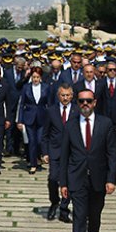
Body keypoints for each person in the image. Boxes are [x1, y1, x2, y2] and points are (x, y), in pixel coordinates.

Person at [60, 89, 116, 232]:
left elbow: (111, 154)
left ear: (95, 102)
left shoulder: (105, 123)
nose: (85, 104)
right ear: (77, 103)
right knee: (79, 217)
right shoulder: (70, 125)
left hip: (98, 178)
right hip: (77, 178)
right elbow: (64, 155)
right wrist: (63, 182)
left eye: (88, 101)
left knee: (94, 218)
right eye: (81, 101)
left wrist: (111, 179)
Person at [41, 83, 76, 223]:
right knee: (53, 179)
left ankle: (64, 209)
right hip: (55, 151)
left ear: (72, 96)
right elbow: (45, 134)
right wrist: (44, 152)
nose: (65, 98)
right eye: (63, 95)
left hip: (73, 152)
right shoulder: (51, 111)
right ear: (58, 96)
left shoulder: (77, 111)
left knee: (69, 181)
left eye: (68, 95)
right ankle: (54, 201)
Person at [17, 67, 50, 174]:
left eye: (37, 77)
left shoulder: (46, 87)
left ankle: (38, 156)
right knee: (32, 141)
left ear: (41, 77)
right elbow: (21, 105)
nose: (35, 79)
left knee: (40, 140)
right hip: (29, 117)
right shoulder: (26, 87)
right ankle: (33, 163)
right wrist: (20, 120)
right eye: (34, 77)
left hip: (42, 116)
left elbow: (49, 104)